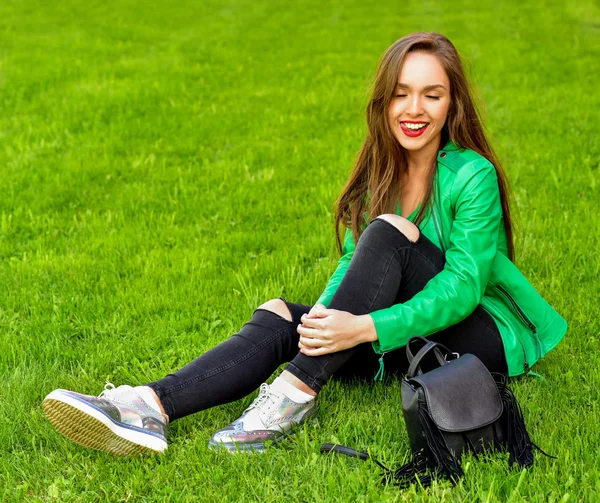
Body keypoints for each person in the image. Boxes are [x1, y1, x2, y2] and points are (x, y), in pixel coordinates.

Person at [42, 32, 567, 456]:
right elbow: (356, 264)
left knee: (390, 233)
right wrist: (321, 320)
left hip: (479, 338)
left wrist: (363, 326)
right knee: (280, 314)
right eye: (402, 93)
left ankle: (293, 395)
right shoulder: (378, 175)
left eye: (433, 95)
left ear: (452, 104)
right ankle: (149, 406)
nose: (415, 109)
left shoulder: (470, 173)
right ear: (384, 101)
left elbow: (464, 285)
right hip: (410, 334)